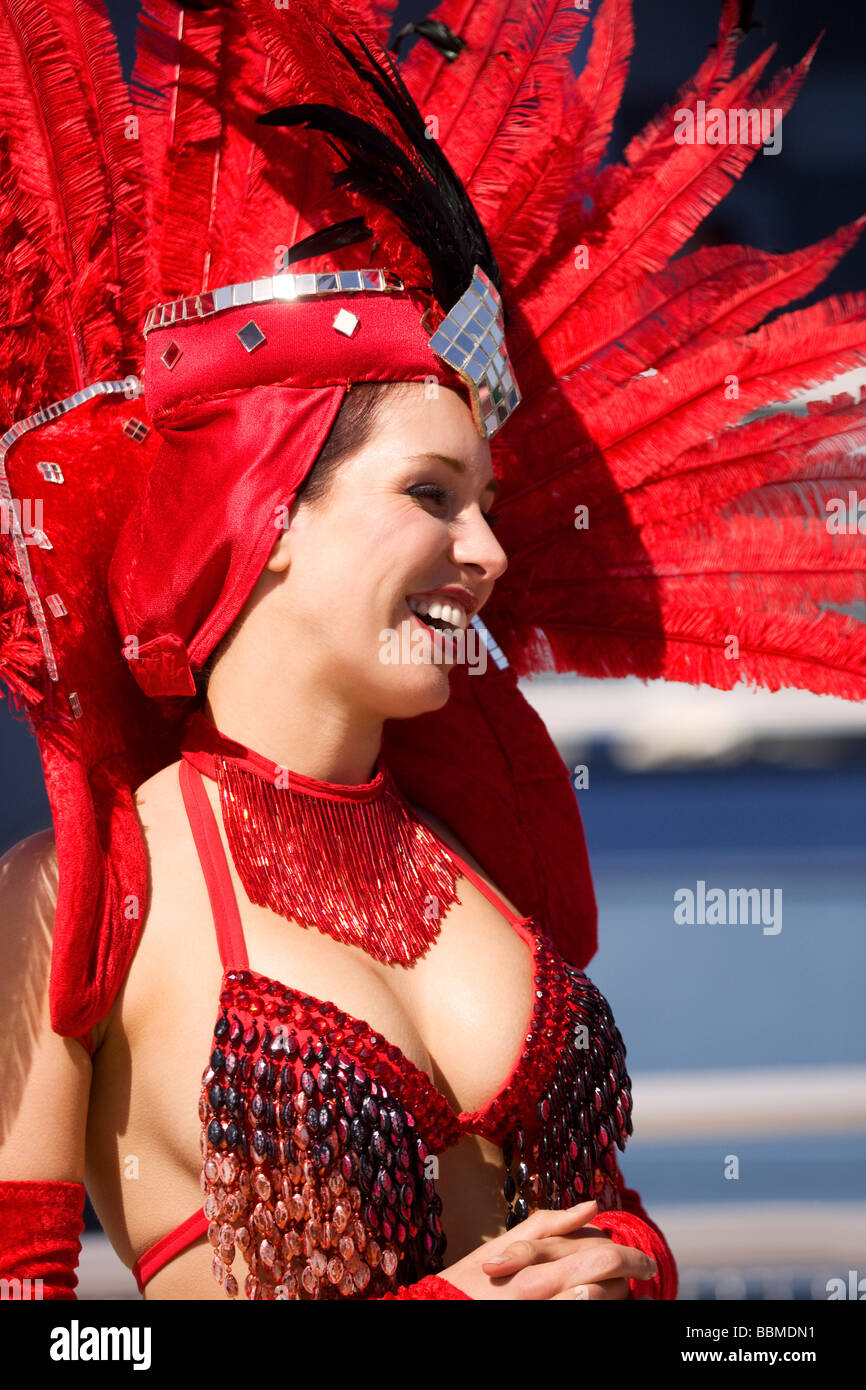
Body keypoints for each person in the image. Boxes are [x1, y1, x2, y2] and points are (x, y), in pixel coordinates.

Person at [0, 0, 861, 1301]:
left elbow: (596, 1223)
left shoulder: (471, 853)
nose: (486, 554)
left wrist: (622, 1264)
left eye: (488, 506)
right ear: (266, 509)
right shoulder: (84, 893)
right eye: (430, 497)